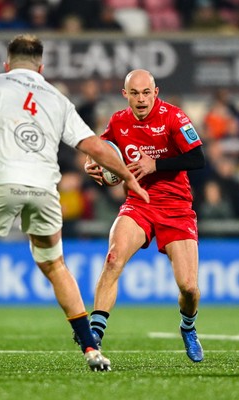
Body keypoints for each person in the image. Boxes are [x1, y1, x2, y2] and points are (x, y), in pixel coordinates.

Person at [0, 34, 149, 374]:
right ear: (41, 68)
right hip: (45, 188)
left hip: (0, 181)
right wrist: (129, 178)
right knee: (55, 264)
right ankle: (91, 348)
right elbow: (95, 147)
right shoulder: (57, 98)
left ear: (6, 64)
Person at [82, 69, 206, 363]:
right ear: (125, 95)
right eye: (134, 93)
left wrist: (157, 165)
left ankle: (187, 326)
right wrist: (92, 162)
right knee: (113, 258)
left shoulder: (174, 117)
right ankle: (94, 334)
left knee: (189, 287)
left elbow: (198, 158)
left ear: (155, 92)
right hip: (139, 202)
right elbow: (99, 148)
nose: (141, 99)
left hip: (176, 207)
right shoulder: (118, 120)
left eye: (146, 93)